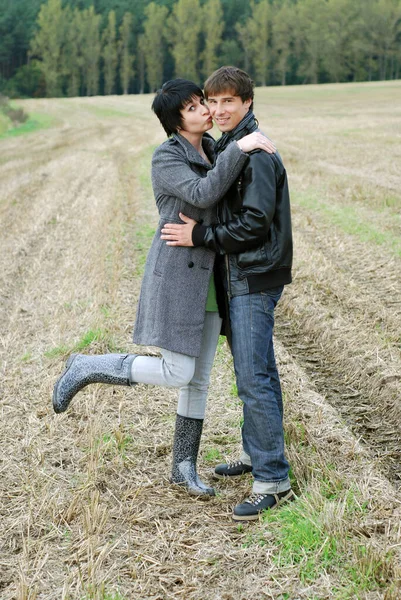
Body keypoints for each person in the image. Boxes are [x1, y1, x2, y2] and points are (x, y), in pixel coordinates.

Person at [52, 78, 274, 498]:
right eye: (193, 107)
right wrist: (243, 148)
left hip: (211, 276)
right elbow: (203, 193)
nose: (205, 110)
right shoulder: (166, 157)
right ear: (176, 121)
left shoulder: (211, 149)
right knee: (178, 372)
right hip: (177, 276)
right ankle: (87, 367)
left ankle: (183, 466)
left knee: (200, 378)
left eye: (202, 103)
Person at [160, 66, 295, 520]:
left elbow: (255, 223)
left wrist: (202, 236)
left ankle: (273, 479)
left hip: (254, 278)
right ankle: (259, 454)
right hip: (241, 277)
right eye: (210, 102)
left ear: (247, 104)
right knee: (254, 374)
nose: (217, 111)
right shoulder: (231, 147)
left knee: (254, 377)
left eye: (226, 103)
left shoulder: (257, 156)